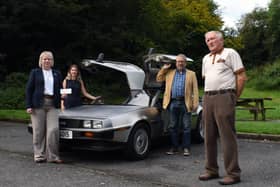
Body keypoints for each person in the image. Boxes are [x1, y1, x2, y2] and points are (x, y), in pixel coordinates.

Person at [198, 31, 247, 185]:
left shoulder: (230, 53)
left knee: (227, 135)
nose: (209, 42)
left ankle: (233, 173)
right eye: (207, 40)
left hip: (224, 96)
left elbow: (241, 76)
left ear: (220, 39)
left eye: (212, 38)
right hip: (207, 97)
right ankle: (211, 170)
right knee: (209, 135)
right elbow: (209, 78)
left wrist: (234, 98)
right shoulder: (206, 58)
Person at [156, 54, 199, 156]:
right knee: (173, 126)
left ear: (185, 63)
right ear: (176, 63)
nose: (180, 63)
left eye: (182, 61)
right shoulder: (169, 73)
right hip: (173, 102)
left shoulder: (191, 74)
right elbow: (159, 79)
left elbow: (195, 90)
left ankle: (186, 148)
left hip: (186, 102)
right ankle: (174, 148)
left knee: (186, 126)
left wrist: (195, 103)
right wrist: (164, 68)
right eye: (178, 61)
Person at [25, 51, 63, 164]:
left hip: (53, 104)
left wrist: (63, 95)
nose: (47, 61)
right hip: (38, 104)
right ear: (41, 61)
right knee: (38, 131)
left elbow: (60, 89)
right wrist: (28, 105)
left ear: (52, 61)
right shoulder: (35, 72)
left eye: (49, 59)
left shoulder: (57, 73)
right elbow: (29, 89)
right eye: (44, 59)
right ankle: (39, 156)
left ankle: (53, 156)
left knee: (53, 130)